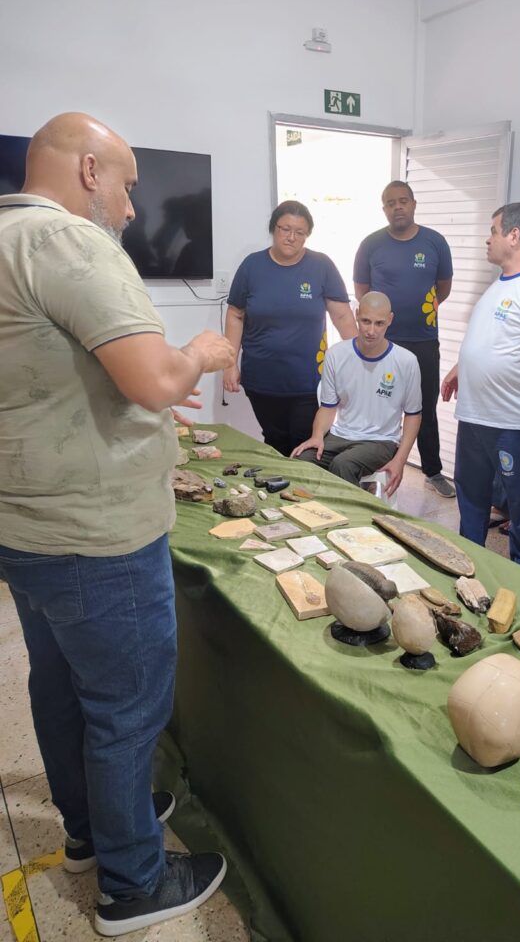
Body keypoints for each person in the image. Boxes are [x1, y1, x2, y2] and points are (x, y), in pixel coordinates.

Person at [0, 113, 235, 935]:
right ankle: (133, 883)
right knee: (125, 708)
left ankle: (89, 828)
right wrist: (200, 354)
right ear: (90, 170)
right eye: (129, 187)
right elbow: (153, 379)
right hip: (97, 534)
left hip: (25, 526)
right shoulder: (68, 242)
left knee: (59, 683)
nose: (133, 209)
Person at [441, 203, 520, 569]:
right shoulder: (497, 285)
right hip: (474, 414)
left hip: (510, 419)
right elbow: (491, 340)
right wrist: (462, 366)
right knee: (471, 495)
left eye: (493, 231)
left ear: (514, 235)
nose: (488, 239)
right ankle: (469, 563)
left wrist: (507, 363)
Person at [224, 201, 356, 456]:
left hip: (309, 380)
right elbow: (235, 314)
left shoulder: (321, 266)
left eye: (300, 232)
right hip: (261, 378)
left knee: (305, 443)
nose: (291, 237)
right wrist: (229, 364)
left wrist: (360, 361)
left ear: (307, 235)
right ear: (273, 228)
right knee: (274, 440)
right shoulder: (252, 266)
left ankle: (303, 483)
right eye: (285, 229)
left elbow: (342, 316)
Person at [353, 181, 455, 497]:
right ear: (384, 209)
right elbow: (362, 291)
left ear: (413, 204)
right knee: (377, 403)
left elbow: (444, 287)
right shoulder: (371, 244)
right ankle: (369, 467)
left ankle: (433, 471)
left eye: (403, 201)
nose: (397, 207)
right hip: (382, 343)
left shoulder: (435, 242)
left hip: (424, 339)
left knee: (424, 405)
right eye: (390, 203)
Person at [292, 292, 421, 495]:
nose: (371, 331)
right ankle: (315, 511)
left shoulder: (406, 361)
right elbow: (328, 407)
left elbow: (413, 414)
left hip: (381, 440)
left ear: (390, 320)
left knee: (343, 465)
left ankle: (348, 514)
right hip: (341, 435)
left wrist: (400, 460)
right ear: (357, 314)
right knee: (301, 460)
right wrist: (317, 436)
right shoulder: (336, 354)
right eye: (366, 321)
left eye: (379, 323)